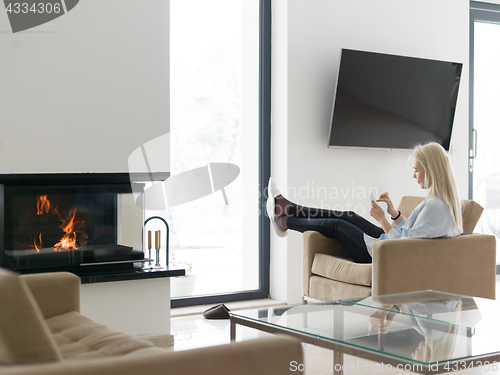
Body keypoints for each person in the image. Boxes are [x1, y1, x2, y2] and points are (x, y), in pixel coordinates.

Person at [267, 142, 463, 263]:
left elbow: (406, 246)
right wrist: (394, 214)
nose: (414, 176)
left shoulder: (434, 206)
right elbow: (414, 233)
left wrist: (383, 220)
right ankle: (288, 207)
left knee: (337, 225)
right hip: (390, 246)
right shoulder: (438, 201)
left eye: (417, 170)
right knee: (348, 216)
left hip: (387, 256)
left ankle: (284, 221)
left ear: (431, 170)